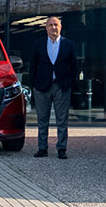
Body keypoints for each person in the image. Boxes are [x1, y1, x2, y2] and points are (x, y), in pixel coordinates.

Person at [29, 16, 78, 159]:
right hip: (42, 87)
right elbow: (33, 66)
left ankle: (62, 148)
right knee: (42, 119)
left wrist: (69, 83)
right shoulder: (38, 44)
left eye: (56, 25)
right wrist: (34, 84)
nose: (53, 27)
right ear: (46, 28)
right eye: (50, 25)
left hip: (61, 86)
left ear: (60, 27)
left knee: (62, 120)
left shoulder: (68, 44)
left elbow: (74, 67)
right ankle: (42, 148)